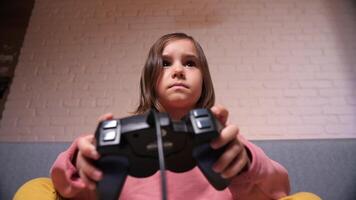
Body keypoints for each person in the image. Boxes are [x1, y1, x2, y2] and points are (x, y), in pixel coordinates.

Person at [14, 33, 321, 200]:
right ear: (151, 80)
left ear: (204, 81)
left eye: (190, 63)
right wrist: (82, 163)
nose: (177, 70)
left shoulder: (224, 141)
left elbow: (282, 188)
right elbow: (63, 184)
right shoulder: (121, 135)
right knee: (35, 187)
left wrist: (246, 162)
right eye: (164, 64)